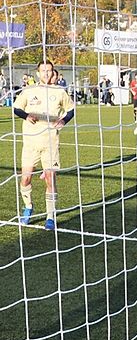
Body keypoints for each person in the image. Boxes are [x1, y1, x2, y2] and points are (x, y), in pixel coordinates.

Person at [13, 60, 76, 231]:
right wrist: (26, 116)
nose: (46, 73)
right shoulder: (29, 90)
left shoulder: (59, 91)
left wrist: (64, 120)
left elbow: (71, 110)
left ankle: (50, 216)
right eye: (43, 70)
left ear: (53, 72)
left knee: (50, 179)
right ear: (38, 73)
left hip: (50, 142)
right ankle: (28, 207)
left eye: (49, 70)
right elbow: (16, 108)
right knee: (25, 177)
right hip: (30, 143)